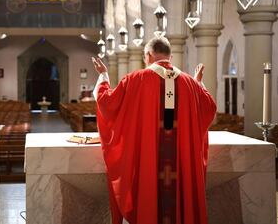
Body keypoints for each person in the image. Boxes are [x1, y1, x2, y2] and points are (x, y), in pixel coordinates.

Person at [92, 37, 216, 224]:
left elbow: (107, 103)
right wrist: (198, 85)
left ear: (148, 55)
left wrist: (103, 76)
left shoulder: (135, 79)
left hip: (147, 164)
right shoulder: (189, 83)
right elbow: (209, 108)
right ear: (170, 56)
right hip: (179, 166)